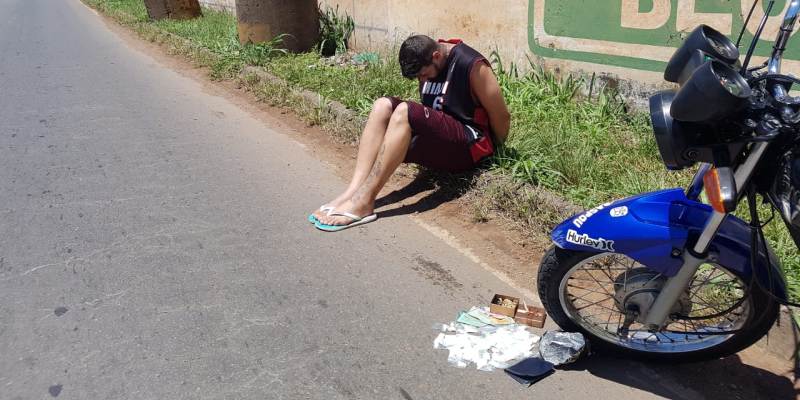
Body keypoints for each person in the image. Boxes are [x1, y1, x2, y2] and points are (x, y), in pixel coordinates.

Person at [310, 34, 510, 231]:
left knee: (405, 111)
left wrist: (495, 154)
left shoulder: (472, 64)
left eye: (423, 75)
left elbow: (502, 116)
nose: (422, 79)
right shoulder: (428, 61)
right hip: (442, 139)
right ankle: (353, 192)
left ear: (436, 56)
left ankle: (364, 202)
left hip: (470, 143)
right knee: (382, 105)